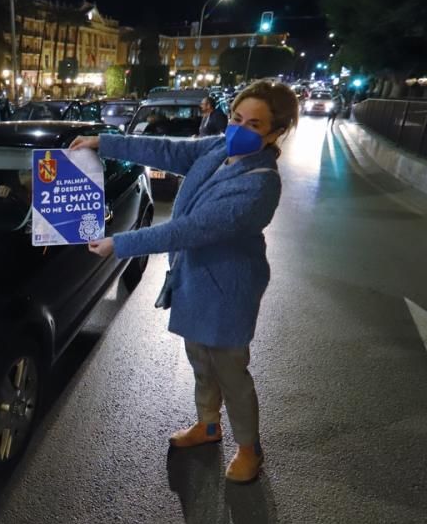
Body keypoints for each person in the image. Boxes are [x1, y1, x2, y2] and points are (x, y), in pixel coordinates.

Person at [69, 80, 298, 483]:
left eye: (254, 124)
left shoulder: (260, 184)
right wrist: (101, 142)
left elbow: (187, 230)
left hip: (229, 289)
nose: (239, 129)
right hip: (195, 278)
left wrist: (119, 243)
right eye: (237, 118)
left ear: (275, 132)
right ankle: (208, 425)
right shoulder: (217, 149)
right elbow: (168, 150)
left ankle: (250, 448)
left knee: (231, 372)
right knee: (200, 361)